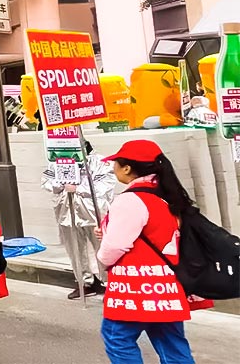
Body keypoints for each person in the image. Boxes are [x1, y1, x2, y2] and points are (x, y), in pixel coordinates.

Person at [95, 140, 204, 364]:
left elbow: (114, 247)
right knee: (171, 343)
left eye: (116, 163)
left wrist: (103, 255)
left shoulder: (131, 200)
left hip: (136, 286)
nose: (113, 167)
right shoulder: (168, 196)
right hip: (168, 284)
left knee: (117, 338)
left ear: (127, 168)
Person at [42, 141, 117, 299]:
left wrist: (79, 188)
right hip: (67, 212)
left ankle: (111, 283)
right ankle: (85, 283)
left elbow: (105, 186)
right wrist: (61, 183)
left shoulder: (100, 162)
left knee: (102, 247)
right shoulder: (58, 162)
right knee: (75, 249)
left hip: (93, 212)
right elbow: (47, 182)